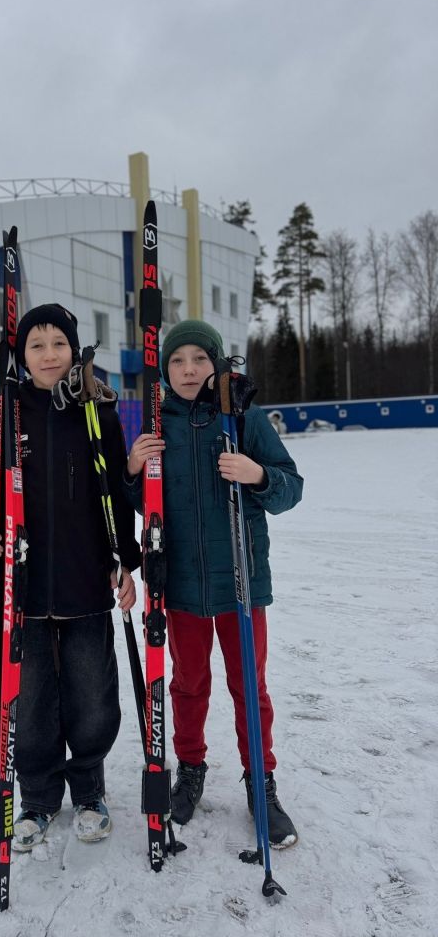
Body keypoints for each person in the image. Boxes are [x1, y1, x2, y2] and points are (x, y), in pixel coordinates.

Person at [0, 304, 140, 851]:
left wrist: (124, 562)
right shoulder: (0, 419)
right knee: (30, 703)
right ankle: (36, 798)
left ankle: (88, 792)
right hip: (22, 592)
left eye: (59, 343)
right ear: (21, 354)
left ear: (74, 350)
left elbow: (115, 500)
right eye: (36, 345)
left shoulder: (100, 413)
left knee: (92, 699)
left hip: (86, 587)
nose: (49, 354)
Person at [124, 320, 303, 848]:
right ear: (165, 369)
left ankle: (261, 785)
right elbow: (135, 502)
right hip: (177, 585)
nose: (187, 370)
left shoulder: (241, 416)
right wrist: (133, 468)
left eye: (199, 360)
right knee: (188, 686)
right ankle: (191, 770)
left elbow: (290, 488)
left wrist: (257, 474)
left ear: (216, 364)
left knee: (249, 687)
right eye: (177, 361)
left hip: (242, 583)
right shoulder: (152, 419)